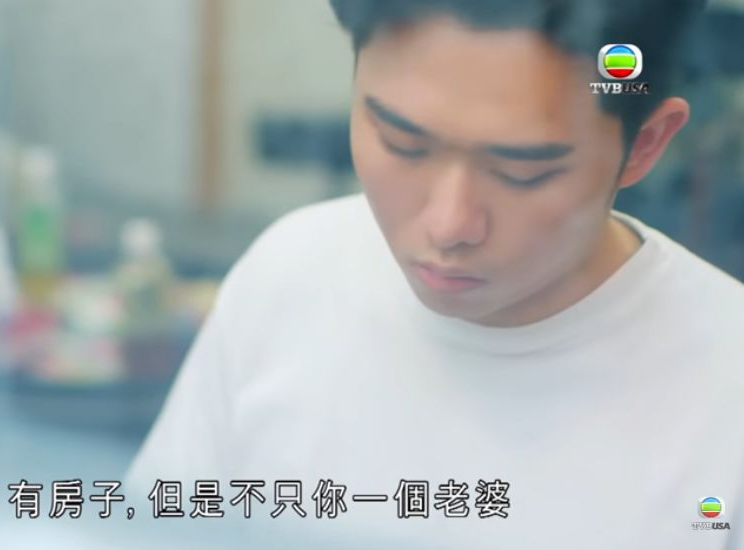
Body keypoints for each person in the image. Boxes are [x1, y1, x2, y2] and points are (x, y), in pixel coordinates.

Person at [124, 1, 743, 547]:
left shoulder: (724, 392)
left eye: (522, 172)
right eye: (403, 144)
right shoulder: (291, 274)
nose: (449, 225)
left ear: (645, 144)